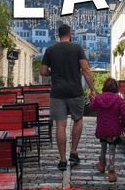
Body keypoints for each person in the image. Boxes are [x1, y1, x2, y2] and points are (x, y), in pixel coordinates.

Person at [40, 24, 96, 171]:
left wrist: (54, 73)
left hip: (57, 92)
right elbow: (84, 68)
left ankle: (63, 160)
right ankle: (73, 152)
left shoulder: (50, 50)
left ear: (58, 35)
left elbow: (43, 71)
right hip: (75, 91)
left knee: (60, 125)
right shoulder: (77, 48)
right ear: (70, 34)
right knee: (77, 119)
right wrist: (92, 89)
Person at [90, 77, 125, 183]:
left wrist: (92, 99)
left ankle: (102, 163)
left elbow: (92, 108)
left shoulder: (98, 98)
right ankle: (111, 170)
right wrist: (123, 125)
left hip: (102, 129)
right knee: (112, 150)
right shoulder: (118, 99)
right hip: (113, 130)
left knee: (103, 146)